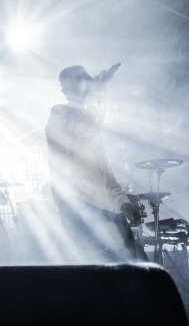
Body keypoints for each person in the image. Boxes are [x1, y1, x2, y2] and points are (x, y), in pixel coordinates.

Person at [45, 65, 147, 263]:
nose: (84, 80)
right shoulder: (58, 113)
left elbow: (105, 172)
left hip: (108, 210)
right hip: (77, 205)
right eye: (77, 78)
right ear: (64, 90)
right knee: (105, 274)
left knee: (137, 265)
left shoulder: (92, 122)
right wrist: (99, 91)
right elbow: (84, 128)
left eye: (85, 76)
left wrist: (123, 202)